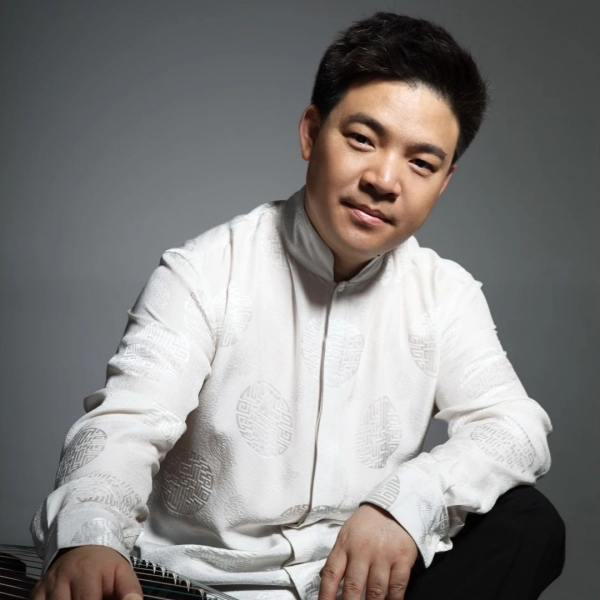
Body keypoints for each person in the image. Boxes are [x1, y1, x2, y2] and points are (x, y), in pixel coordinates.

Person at [30, 12, 565, 600]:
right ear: (311, 133)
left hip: (352, 587)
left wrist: (405, 502)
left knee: (529, 523)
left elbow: (516, 428)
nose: (385, 180)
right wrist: (91, 535)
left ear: (443, 182)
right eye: (362, 139)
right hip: (201, 587)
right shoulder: (204, 272)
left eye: (421, 163)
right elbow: (125, 425)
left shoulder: (445, 294)